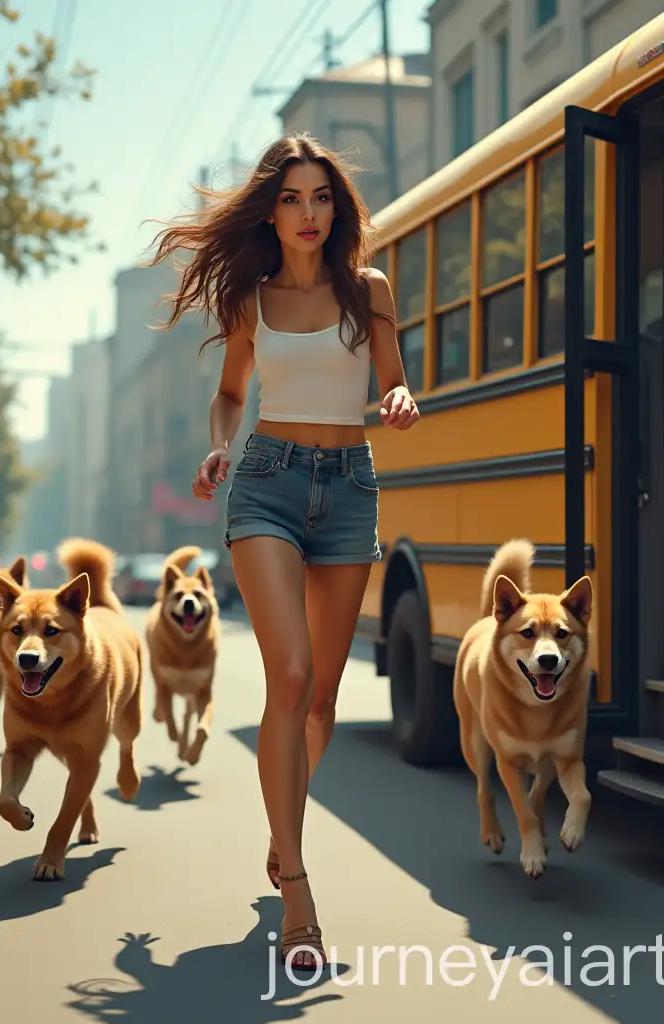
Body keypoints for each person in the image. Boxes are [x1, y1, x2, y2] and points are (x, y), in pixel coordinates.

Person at [146, 134, 419, 971]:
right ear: (272, 209)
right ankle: (297, 893)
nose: (309, 213)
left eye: (322, 198)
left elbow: (392, 378)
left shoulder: (366, 290)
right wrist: (219, 447)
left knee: (323, 704)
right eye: (294, 198)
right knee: (289, 678)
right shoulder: (249, 300)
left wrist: (402, 396)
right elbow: (231, 395)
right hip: (264, 480)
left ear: (338, 209)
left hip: (348, 487)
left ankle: (280, 825)